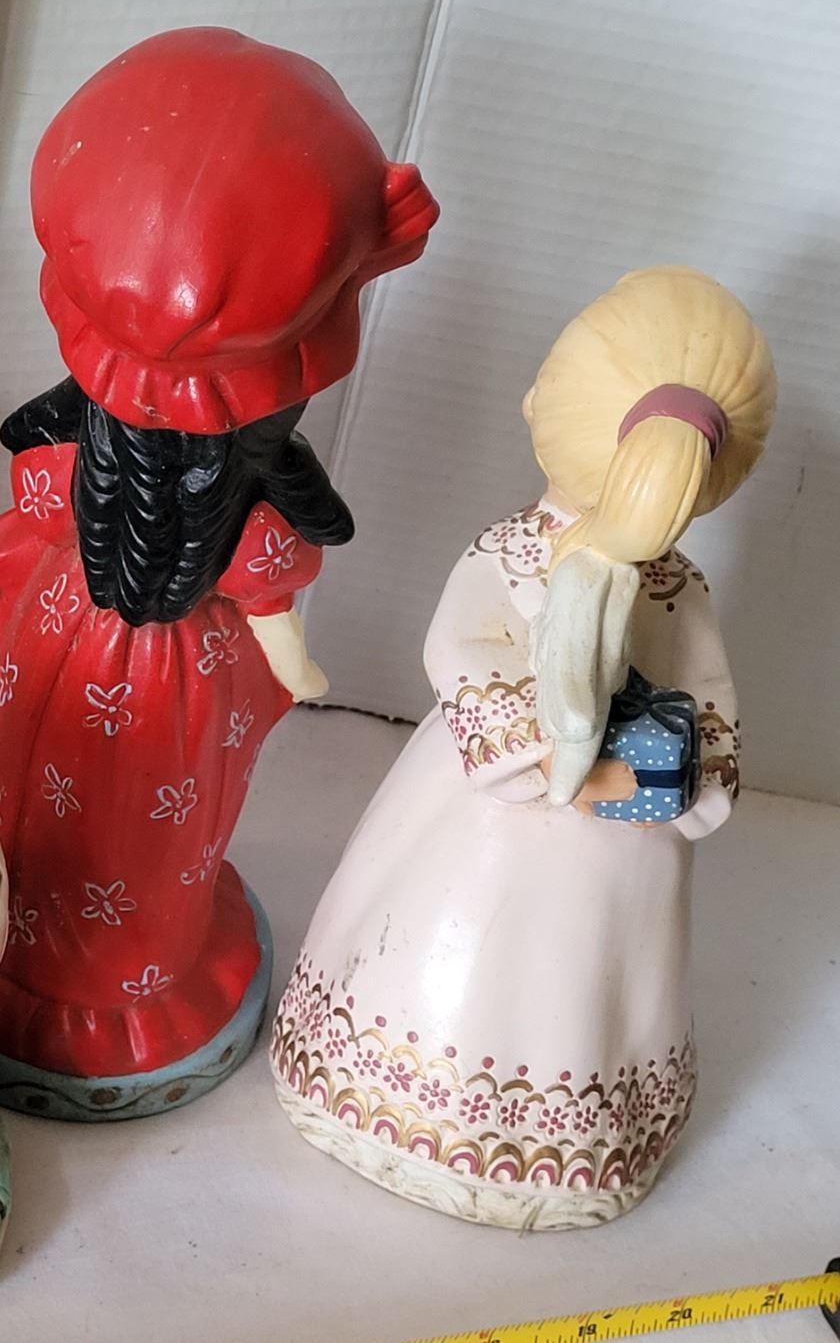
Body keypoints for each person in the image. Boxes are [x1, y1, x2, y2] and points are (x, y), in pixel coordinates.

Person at [0, 27, 438, 1120]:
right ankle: (125, 983)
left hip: (60, 638)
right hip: (183, 689)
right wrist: (297, 667)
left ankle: (22, 951)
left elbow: (30, 506)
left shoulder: (65, 483)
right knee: (151, 832)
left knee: (39, 803)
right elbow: (279, 626)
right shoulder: (247, 539)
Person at [270, 267, 775, 1229]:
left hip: (561, 805)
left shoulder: (538, 558)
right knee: (565, 971)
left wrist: (639, 776)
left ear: (540, 406)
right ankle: (460, 1125)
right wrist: (584, 770)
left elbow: (467, 656)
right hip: (528, 802)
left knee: (566, 972)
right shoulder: (630, 578)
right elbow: (699, 705)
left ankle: (506, 1140)